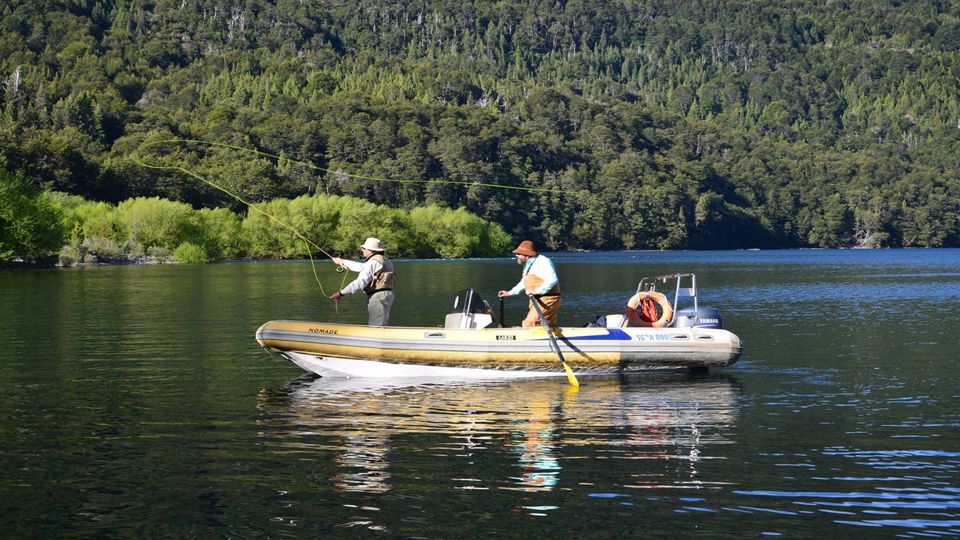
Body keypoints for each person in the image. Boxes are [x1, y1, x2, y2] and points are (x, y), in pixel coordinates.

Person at [330, 237, 395, 326]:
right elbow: (361, 267)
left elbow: (360, 282)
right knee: (381, 323)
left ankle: (375, 338)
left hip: (378, 297)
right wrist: (342, 261)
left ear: (371, 251)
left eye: (364, 248)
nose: (362, 250)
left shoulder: (373, 262)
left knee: (376, 325)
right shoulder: (384, 260)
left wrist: (341, 293)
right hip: (386, 295)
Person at [497, 240, 561, 327]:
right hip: (537, 300)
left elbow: (552, 279)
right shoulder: (528, 264)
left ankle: (527, 339)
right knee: (546, 326)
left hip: (548, 299)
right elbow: (525, 281)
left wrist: (537, 291)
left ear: (527, 255)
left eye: (519, 254)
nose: (516, 256)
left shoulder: (542, 262)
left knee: (530, 324)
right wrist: (510, 293)